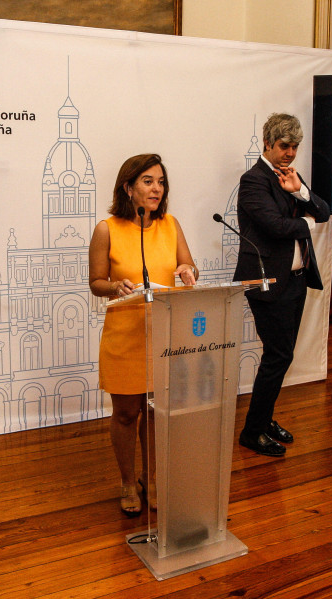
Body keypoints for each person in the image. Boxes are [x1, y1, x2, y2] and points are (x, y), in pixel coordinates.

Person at [88, 154, 199, 515]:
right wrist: (113, 286)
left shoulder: (171, 225)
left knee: (154, 413)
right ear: (128, 187)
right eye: (148, 181)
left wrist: (187, 268)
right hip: (125, 334)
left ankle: (150, 480)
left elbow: (188, 264)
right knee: (126, 413)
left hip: (165, 334)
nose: (156, 189)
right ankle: (126, 481)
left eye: (161, 182)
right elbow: (95, 283)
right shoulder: (108, 229)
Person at [233, 113, 331, 457]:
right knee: (279, 355)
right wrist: (306, 222)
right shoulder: (253, 180)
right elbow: (275, 227)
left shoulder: (290, 176)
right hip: (264, 280)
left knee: (281, 356)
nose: (290, 153)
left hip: (295, 279)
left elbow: (324, 210)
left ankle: (264, 418)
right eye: (284, 146)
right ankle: (252, 431)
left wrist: (301, 191)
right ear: (268, 144)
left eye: (295, 147)